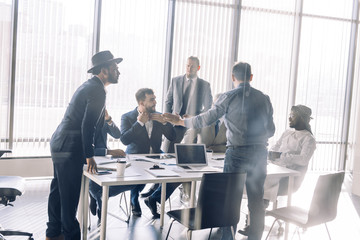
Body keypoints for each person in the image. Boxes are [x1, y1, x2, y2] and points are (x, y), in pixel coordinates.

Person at [163, 62, 275, 240]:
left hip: (236, 153)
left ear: (233, 78)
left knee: (230, 201)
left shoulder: (228, 97)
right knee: (256, 200)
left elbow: (206, 119)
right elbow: (271, 131)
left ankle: (227, 238)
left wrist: (181, 122)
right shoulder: (264, 98)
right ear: (251, 77)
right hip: (259, 154)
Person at [46, 50, 122, 240]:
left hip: (60, 143)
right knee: (69, 196)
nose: (118, 72)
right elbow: (86, 126)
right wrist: (90, 156)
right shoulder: (97, 90)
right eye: (115, 68)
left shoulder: (89, 86)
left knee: (59, 191)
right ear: (104, 71)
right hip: (70, 146)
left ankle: (53, 234)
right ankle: (70, 236)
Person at [239, 105, 316, 236]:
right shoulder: (287, 133)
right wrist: (271, 154)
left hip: (290, 178)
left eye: (293, 115)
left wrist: (281, 156)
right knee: (252, 181)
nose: (289, 118)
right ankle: (255, 219)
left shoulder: (309, 139)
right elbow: (275, 148)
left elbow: (303, 160)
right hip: (276, 169)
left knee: (261, 187)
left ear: (302, 119)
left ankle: (255, 224)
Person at [120, 88, 176, 217]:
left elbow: (172, 137)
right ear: (141, 103)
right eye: (151, 100)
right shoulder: (127, 117)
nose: (155, 102)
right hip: (135, 156)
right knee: (138, 178)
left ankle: (154, 198)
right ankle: (134, 200)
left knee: (176, 173)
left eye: (155, 98)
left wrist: (165, 122)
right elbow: (124, 139)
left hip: (156, 154)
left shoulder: (159, 116)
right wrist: (139, 123)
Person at [88, 109, 143, 221]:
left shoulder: (103, 120)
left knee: (133, 182)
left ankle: (100, 195)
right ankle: (96, 195)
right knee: (94, 182)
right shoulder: (85, 123)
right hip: (91, 160)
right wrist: (109, 152)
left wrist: (108, 119)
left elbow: (117, 135)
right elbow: (86, 149)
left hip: (106, 160)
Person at [162, 56, 213, 153]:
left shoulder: (205, 85)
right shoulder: (175, 81)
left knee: (187, 158)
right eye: (188, 66)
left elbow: (208, 107)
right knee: (167, 155)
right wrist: (168, 118)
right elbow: (168, 101)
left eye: (192, 66)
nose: (189, 69)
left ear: (198, 68)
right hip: (174, 126)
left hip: (192, 127)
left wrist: (194, 117)